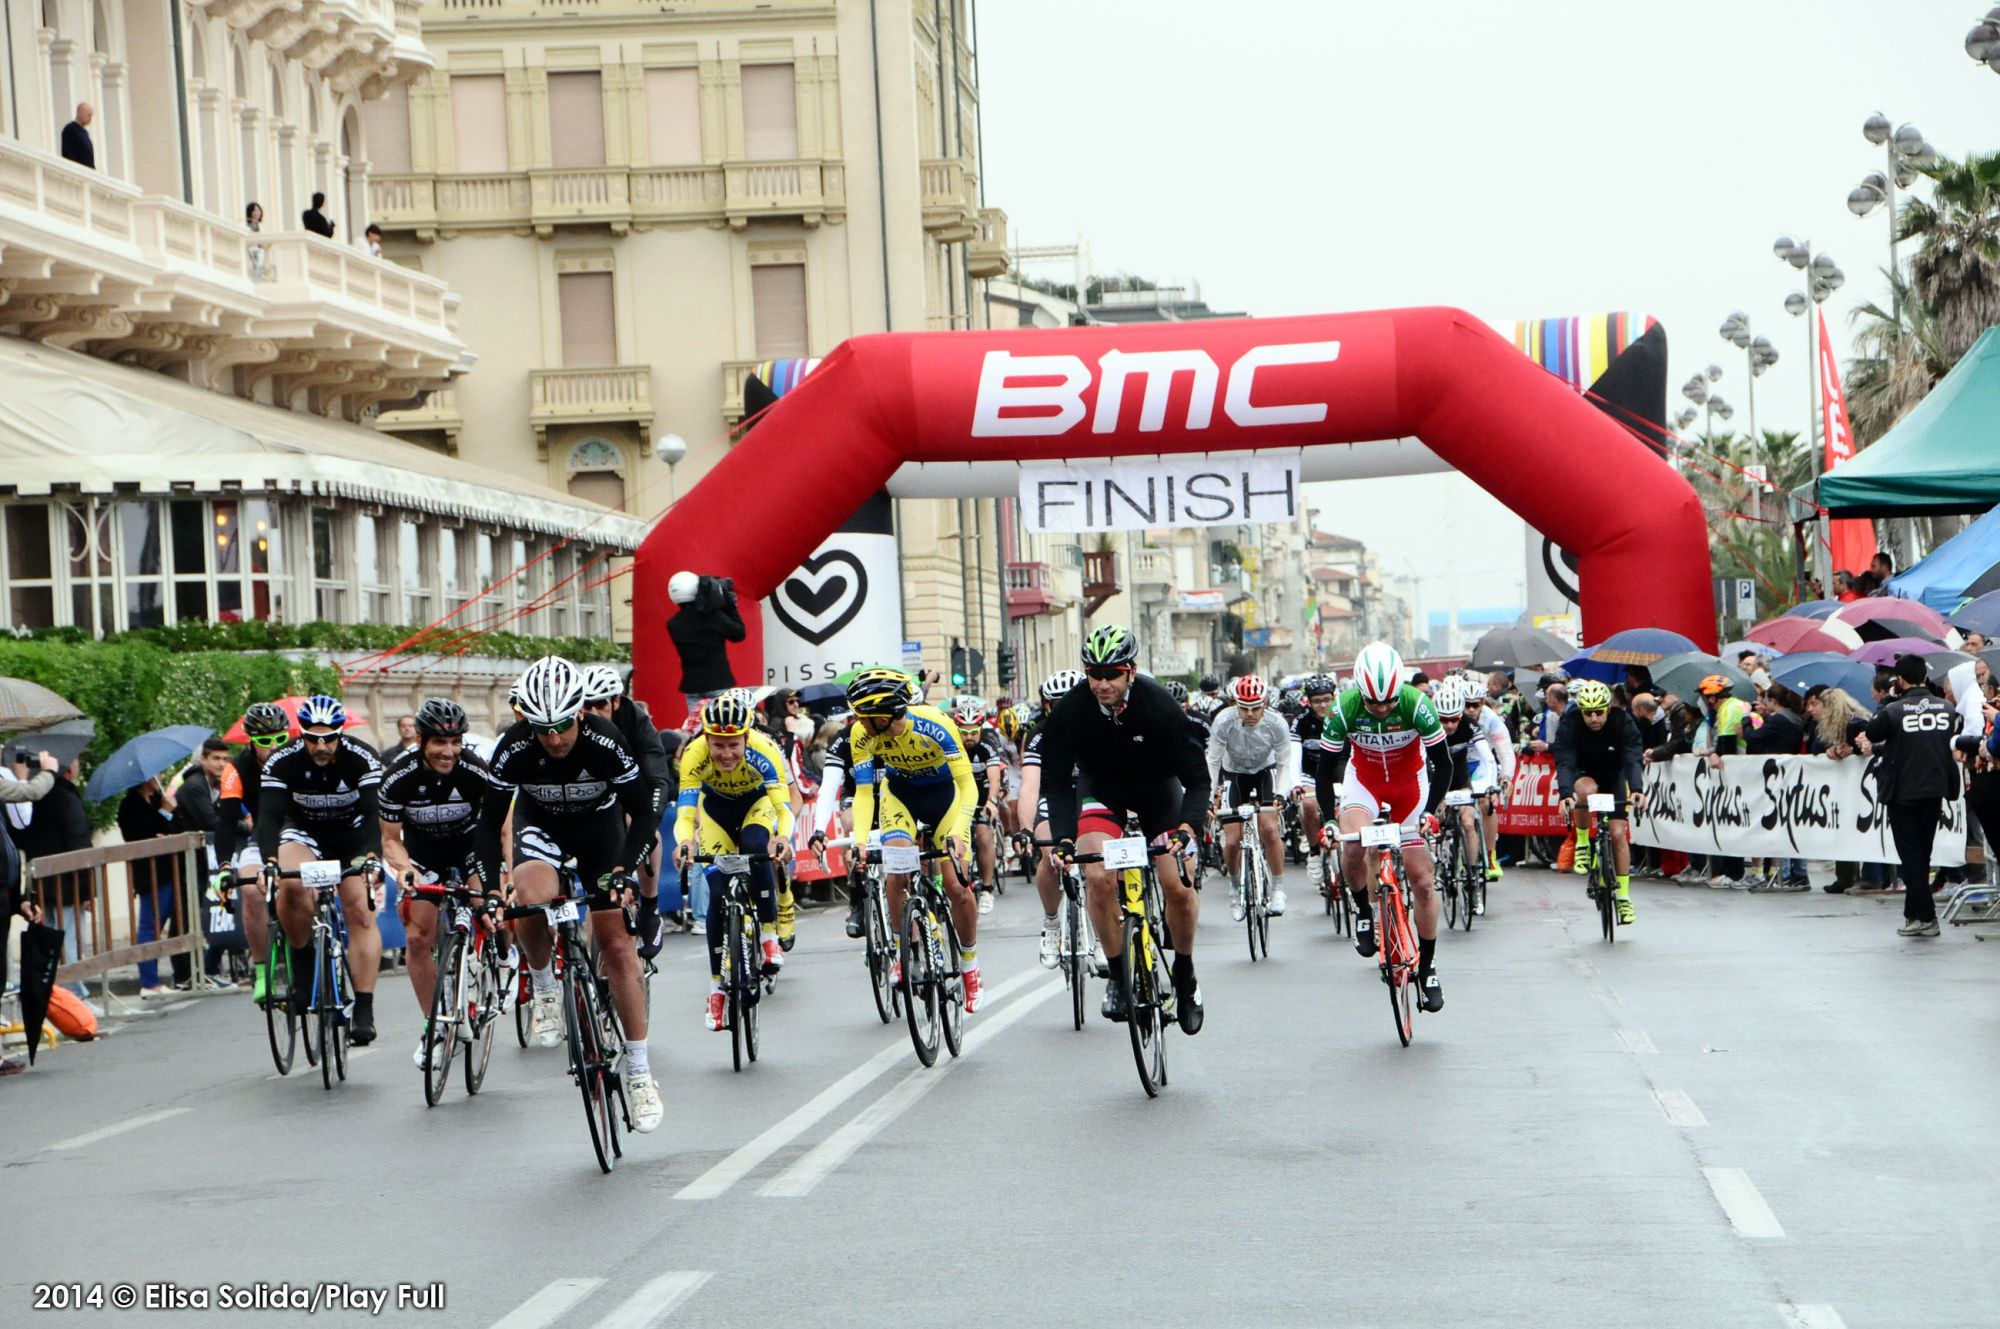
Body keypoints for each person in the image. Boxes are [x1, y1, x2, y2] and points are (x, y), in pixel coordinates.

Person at [478, 657, 663, 1130]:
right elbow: (486, 826)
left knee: (618, 945)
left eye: (562, 725)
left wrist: (624, 870)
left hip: (599, 831)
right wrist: (490, 887)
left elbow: (643, 815)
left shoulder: (606, 740)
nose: (555, 738)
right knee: (531, 898)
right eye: (542, 728)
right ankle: (542, 987)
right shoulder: (513, 748)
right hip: (541, 828)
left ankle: (640, 1073)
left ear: (579, 712)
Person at [1040, 627, 1210, 1031]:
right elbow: (1057, 782)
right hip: (1103, 792)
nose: (1101, 684)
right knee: (1096, 874)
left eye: (1111, 674)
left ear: (1130, 672)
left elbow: (1198, 779)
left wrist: (1188, 827)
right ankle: (1117, 976)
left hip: (1158, 794)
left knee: (1178, 887)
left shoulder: (1159, 705)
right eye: (1093, 674)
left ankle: (1184, 974)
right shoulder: (1070, 711)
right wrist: (1064, 837)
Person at [841, 668, 984, 1011]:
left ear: (885, 714)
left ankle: (969, 966)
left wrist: (958, 832)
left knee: (956, 886)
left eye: (864, 714)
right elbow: (864, 794)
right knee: (897, 869)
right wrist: (859, 840)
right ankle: (902, 950)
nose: (857, 720)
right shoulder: (861, 734)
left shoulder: (935, 724)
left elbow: (968, 787)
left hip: (945, 795)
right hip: (900, 794)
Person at [1324, 642, 1454, 1011]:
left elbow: (1442, 765)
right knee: (1353, 845)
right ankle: (1364, 913)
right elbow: (1325, 767)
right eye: (1373, 703)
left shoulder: (1417, 704)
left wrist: (1429, 812)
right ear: (1359, 693)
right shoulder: (1344, 707)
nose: (1381, 709)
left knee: (1423, 880)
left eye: (1388, 702)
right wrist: (1330, 819)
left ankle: (1428, 967)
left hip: (1409, 785)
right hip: (1363, 781)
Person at [378, 698, 503, 1070]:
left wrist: (498, 881)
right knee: (418, 936)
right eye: (440, 743)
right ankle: (434, 1024)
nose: (449, 752)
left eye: (456, 743)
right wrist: (404, 870)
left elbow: (497, 830)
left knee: (486, 902)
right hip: (423, 854)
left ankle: (494, 960)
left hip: (469, 848)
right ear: (421, 741)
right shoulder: (397, 776)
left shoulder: (476, 772)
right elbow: (389, 840)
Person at [257, 696, 386, 1043]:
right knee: (292, 884)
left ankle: (363, 1006)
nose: (321, 745)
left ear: (341, 734)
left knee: (360, 909)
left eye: (329, 738)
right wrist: (269, 861)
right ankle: (302, 963)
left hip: (353, 838)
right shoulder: (282, 762)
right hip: (305, 835)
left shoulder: (362, 758)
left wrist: (372, 857)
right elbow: (268, 818)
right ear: (300, 734)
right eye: (312, 738)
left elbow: (376, 816)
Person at [672, 693, 794, 1032]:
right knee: (716, 886)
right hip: (716, 813)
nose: (726, 754)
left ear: (746, 738)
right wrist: (684, 841)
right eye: (718, 745)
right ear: (707, 739)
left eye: (733, 745)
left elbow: (783, 810)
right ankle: (716, 989)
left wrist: (781, 838)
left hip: (757, 805)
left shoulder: (765, 750)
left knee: (757, 847)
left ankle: (769, 936)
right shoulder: (694, 755)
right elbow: (685, 813)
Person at [1856, 654, 1961, 938]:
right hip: (1935, 788)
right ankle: (1914, 914)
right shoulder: (1946, 707)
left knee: (1910, 856)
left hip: (1903, 790)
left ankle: (1925, 917)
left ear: (1899, 681)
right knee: (1921, 854)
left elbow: (1874, 731)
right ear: (1925, 678)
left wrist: (1888, 700)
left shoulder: (1893, 709)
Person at [1553, 679, 1648, 925]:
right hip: (1583, 772)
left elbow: (1632, 757)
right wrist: (1565, 794)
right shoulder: (1571, 722)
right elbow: (1564, 760)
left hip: (1613, 774)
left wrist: (1637, 789)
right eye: (1588, 713)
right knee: (1587, 790)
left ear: (1607, 709)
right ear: (1581, 712)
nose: (1594, 718)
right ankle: (1583, 842)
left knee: (1617, 834)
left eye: (1599, 713)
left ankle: (1624, 897)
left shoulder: (1622, 721)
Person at [1012, 669, 1088, 967]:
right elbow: (1030, 786)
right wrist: (1025, 830)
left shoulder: (1100, 725)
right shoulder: (1039, 734)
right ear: (1048, 707)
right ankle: (1052, 921)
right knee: (1050, 853)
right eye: (1059, 705)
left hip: (1089, 792)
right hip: (1053, 795)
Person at [216, 702, 289, 1002]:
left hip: (301, 835)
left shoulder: (298, 759)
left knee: (302, 888)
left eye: (279, 739)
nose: (272, 748)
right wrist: (223, 867)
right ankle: (261, 972)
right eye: (264, 741)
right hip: (262, 837)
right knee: (252, 891)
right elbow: (225, 823)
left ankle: (308, 957)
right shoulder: (236, 770)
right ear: (250, 741)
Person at [1207, 673, 1293, 921]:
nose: (1250, 714)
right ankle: (1235, 888)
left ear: (1265, 703)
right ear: (1235, 704)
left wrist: (1281, 794)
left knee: (1269, 830)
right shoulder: (1224, 721)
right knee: (1232, 841)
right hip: (1233, 774)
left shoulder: (1276, 723)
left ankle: (1278, 889)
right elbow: (1212, 760)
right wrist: (1211, 794)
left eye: (1256, 708)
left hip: (1264, 772)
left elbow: (1285, 762)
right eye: (1244, 709)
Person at [15, 755, 94, 999]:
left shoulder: (33, 799)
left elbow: (22, 837)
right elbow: (79, 842)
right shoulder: (67, 797)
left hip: (42, 882)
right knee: (69, 940)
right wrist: (88, 889)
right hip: (68, 884)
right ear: (69, 768)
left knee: (50, 941)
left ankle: (54, 998)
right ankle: (74, 997)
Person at [121, 774, 193, 996]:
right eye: (156, 775)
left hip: (169, 869)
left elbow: (173, 827)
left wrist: (169, 812)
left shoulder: (156, 799)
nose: (159, 777)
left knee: (170, 922)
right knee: (150, 925)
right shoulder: (130, 805)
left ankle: (178, 975)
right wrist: (164, 813)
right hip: (150, 873)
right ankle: (149, 981)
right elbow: (140, 833)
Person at [947, 696, 1007, 915]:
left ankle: (987, 889)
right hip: (960, 792)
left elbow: (994, 779)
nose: (969, 737)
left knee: (983, 834)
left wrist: (992, 801)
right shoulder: (951, 744)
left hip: (983, 791)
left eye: (974, 732)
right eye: (964, 732)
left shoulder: (988, 743)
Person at [1695, 676, 1752, 887]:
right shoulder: (1732, 706)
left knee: (1731, 820)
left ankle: (1734, 873)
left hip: (1737, 773)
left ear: (1712, 699)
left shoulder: (1728, 709)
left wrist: (1713, 753)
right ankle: (1732, 871)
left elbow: (1726, 745)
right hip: (1741, 769)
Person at [666, 570, 746, 712]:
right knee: (722, 725)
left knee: (696, 729)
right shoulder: (712, 617)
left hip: (692, 685)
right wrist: (730, 606)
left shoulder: (673, 624)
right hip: (718, 682)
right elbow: (738, 634)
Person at [61, 103, 94, 169]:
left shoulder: (85, 133)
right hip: (77, 170)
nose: (90, 119)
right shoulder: (70, 129)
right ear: (80, 113)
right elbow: (68, 154)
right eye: (88, 115)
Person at [244, 202, 267, 281]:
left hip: (259, 249)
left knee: (260, 255)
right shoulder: (247, 224)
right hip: (250, 249)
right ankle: (256, 278)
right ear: (250, 212)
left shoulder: (260, 226)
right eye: (255, 210)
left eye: (258, 210)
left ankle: (259, 277)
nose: (257, 213)